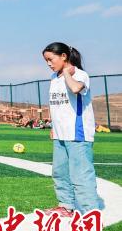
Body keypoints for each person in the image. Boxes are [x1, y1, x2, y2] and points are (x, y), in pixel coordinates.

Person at [42, 42, 104, 216]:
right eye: (46, 60)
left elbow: (76, 88)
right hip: (60, 133)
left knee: (81, 174)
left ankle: (89, 213)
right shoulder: (54, 77)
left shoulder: (80, 74)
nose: (48, 64)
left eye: (50, 59)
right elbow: (55, 105)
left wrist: (68, 74)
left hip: (78, 133)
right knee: (59, 172)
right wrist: (53, 126)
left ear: (64, 56)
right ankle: (66, 206)